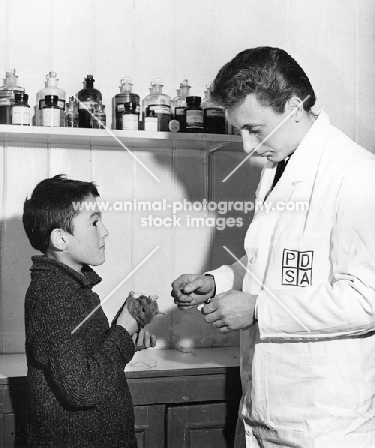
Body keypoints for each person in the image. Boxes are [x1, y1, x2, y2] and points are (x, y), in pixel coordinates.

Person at [171, 47, 375, 447]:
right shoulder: (278, 167)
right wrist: (218, 280)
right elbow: (274, 260)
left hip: (324, 424)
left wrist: (259, 309)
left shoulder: (356, 175)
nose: (247, 147)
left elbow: (367, 300)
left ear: (294, 106)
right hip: (263, 412)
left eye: (255, 129)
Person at [23, 174, 156, 448]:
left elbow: (86, 357)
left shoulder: (68, 287)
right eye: (94, 222)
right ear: (60, 239)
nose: (104, 231)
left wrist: (127, 335)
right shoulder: (54, 295)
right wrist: (123, 329)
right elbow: (82, 388)